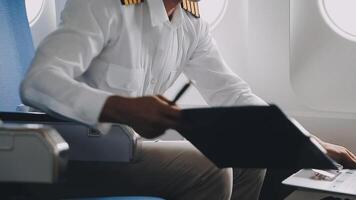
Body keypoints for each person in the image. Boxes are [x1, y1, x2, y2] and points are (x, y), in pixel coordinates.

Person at [20, 0, 356, 199]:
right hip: (72, 154)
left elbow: (231, 92)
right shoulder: (103, 6)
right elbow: (39, 82)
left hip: (129, 150)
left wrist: (309, 142)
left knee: (251, 156)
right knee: (210, 170)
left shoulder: (190, 24)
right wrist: (119, 107)